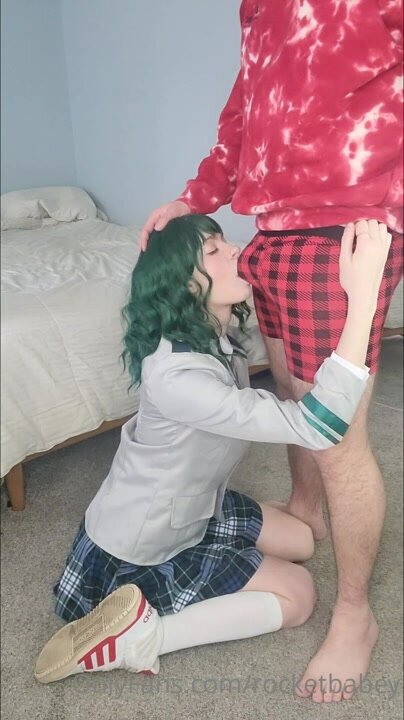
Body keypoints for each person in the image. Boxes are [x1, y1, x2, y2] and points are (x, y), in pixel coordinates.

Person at [139, 0, 403, 703]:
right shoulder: (257, 9)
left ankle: (355, 614)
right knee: (291, 397)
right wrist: (193, 198)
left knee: (334, 433)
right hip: (273, 229)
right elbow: (242, 117)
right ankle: (308, 513)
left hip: (344, 225)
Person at [35, 215, 391, 697]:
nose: (234, 250)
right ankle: (141, 638)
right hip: (141, 548)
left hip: (193, 506)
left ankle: (214, 568)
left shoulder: (214, 337)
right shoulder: (177, 377)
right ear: (185, 285)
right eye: (213, 251)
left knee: (303, 540)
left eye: (225, 241)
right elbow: (317, 426)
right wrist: (363, 298)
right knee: (299, 595)